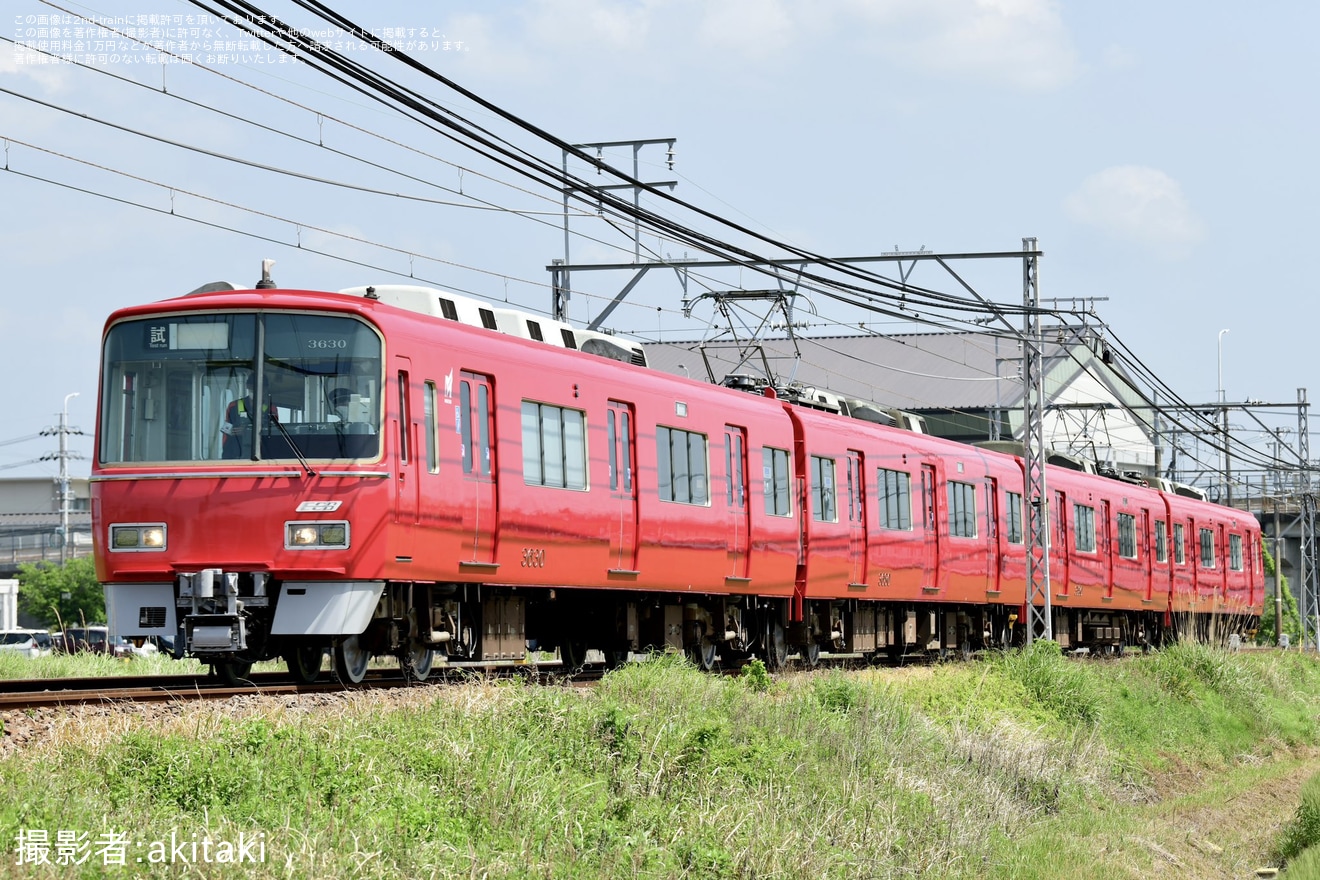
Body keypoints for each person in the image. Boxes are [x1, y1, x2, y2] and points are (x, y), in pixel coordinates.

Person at [221, 375, 259, 459]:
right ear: (247, 386)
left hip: (261, 457)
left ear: (265, 389)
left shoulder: (270, 409)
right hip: (235, 456)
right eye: (252, 387)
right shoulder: (233, 406)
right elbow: (226, 432)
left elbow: (271, 434)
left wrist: (246, 432)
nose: (255, 389)